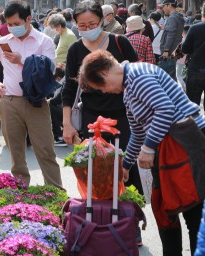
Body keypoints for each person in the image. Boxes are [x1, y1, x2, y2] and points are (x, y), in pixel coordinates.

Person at [79, 49, 205, 256]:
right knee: (165, 209)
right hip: (170, 146)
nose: (104, 92)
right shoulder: (128, 87)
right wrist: (125, 165)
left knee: (191, 208)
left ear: (104, 73)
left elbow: (165, 109)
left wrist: (148, 149)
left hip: (184, 143)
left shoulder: (138, 77)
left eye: (100, 86)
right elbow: (138, 131)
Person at [60, 0, 144, 244]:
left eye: (92, 24)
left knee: (127, 170)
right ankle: (98, 218)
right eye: (82, 25)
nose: (87, 29)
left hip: (124, 116)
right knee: (93, 170)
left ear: (103, 20)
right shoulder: (76, 49)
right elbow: (68, 88)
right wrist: (67, 123)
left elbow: (137, 78)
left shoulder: (121, 42)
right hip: (91, 120)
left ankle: (131, 223)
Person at [0, 1, 63, 189]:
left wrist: (21, 60)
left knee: (45, 151)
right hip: (9, 102)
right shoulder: (4, 42)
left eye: (16, 23)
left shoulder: (44, 41)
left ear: (28, 20)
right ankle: (20, 194)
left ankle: (56, 193)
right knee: (16, 153)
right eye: (9, 24)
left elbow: (48, 70)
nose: (12, 28)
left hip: (36, 102)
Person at [183, 3, 205, 107]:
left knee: (192, 105)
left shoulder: (195, 28)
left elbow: (185, 49)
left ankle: (196, 123)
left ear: (202, 13)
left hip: (196, 70)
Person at [159, 0, 184, 79]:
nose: (163, 8)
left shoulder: (172, 17)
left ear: (169, 5)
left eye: (163, 6)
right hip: (176, 50)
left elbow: (171, 35)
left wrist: (166, 50)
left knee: (167, 78)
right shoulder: (178, 16)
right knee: (173, 76)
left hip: (170, 52)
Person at [49, 63, 67, 146]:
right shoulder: (66, 81)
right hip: (68, 111)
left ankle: (59, 137)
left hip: (69, 113)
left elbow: (57, 100)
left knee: (50, 107)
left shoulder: (65, 84)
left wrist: (47, 101)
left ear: (59, 78)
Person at [176, 25, 189, 91]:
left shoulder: (183, 40)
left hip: (180, 60)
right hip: (187, 61)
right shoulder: (190, 40)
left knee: (178, 75)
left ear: (183, 32)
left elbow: (178, 53)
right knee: (183, 75)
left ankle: (184, 88)